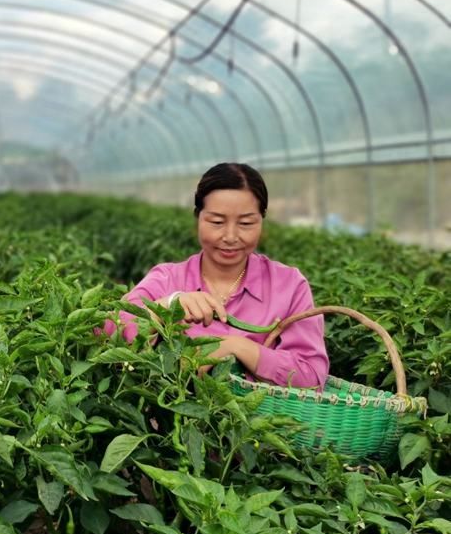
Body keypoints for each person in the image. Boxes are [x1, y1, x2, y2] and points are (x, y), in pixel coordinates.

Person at [102, 163, 329, 388]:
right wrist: (168, 306)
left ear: (262, 220)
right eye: (217, 222)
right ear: (198, 217)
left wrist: (236, 347)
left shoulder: (289, 285)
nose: (230, 236)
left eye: (246, 223)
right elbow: (110, 333)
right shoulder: (167, 278)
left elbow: (312, 376)